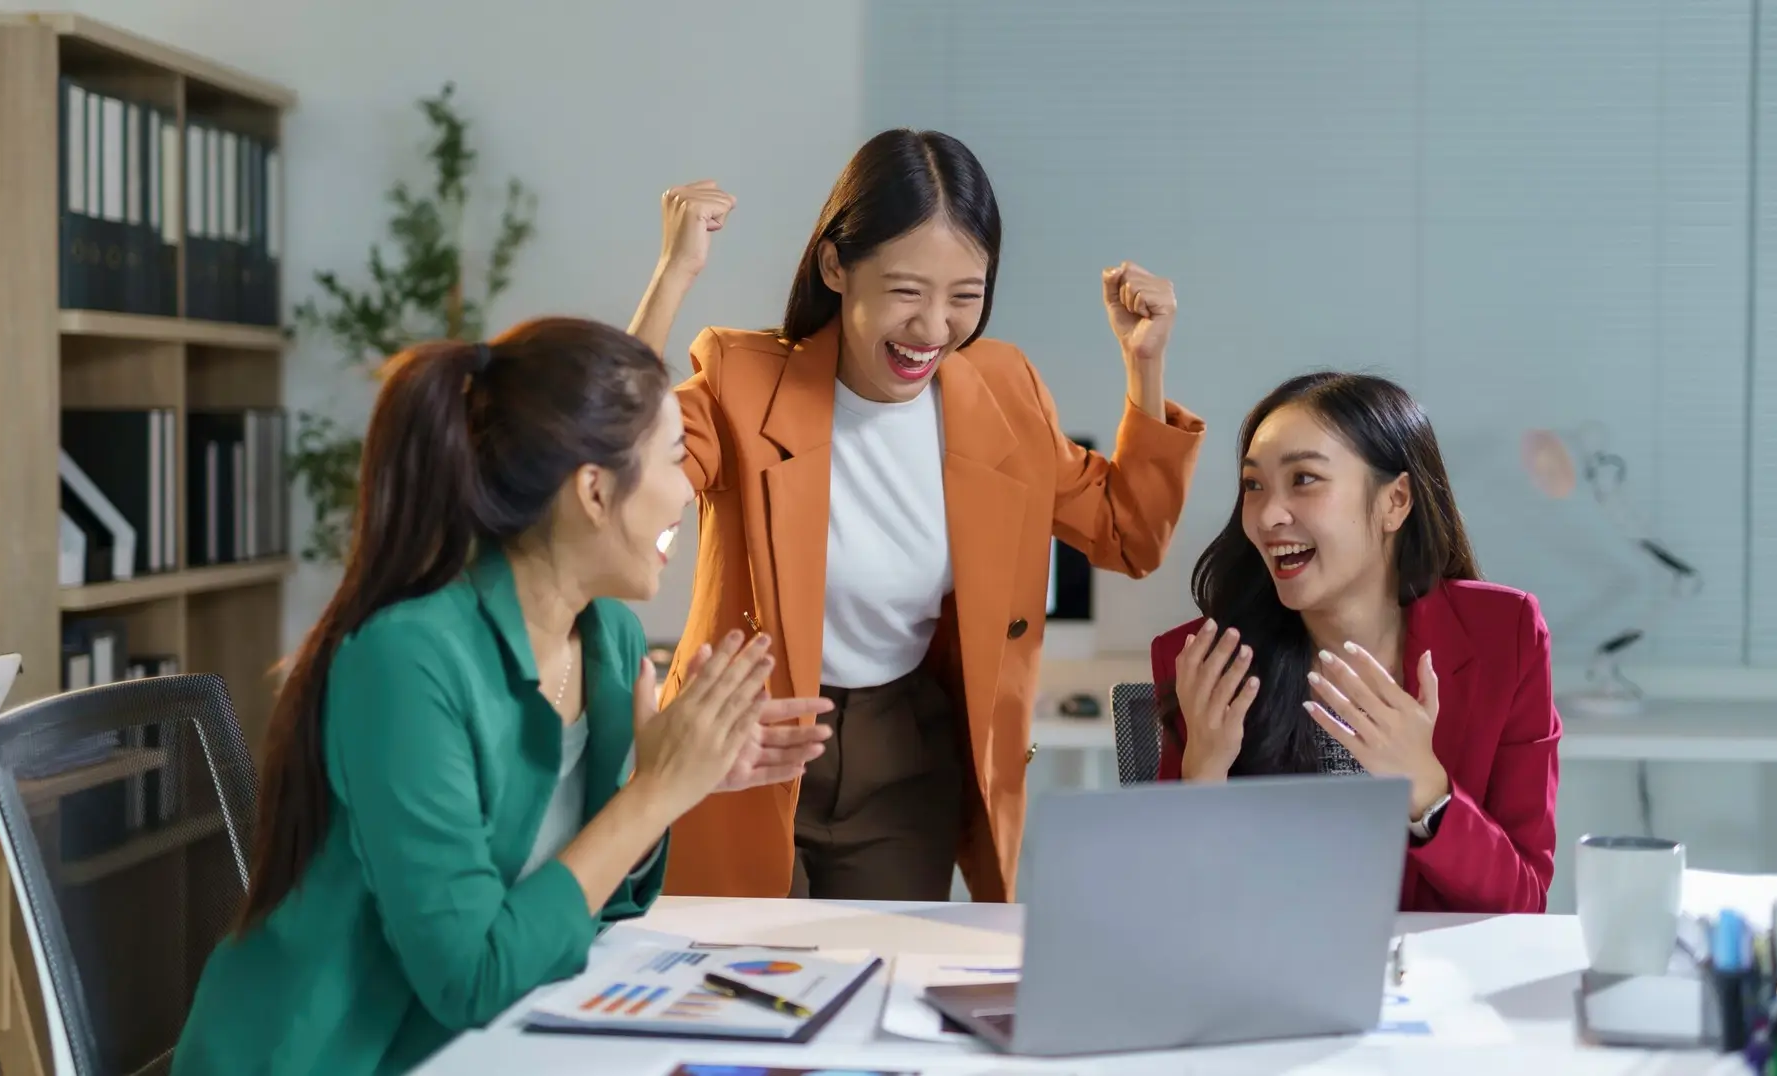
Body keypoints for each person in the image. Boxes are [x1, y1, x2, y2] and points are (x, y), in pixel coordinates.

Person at [172, 318, 833, 1075]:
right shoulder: (406, 662)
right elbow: (471, 977)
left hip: (496, 1045)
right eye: (675, 458)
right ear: (593, 490)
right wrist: (652, 793)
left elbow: (593, 908)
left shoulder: (609, 639)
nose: (689, 488)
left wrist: (674, 782)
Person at [625, 129, 1207, 903]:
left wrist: (1144, 365)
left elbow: (1128, 533)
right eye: (906, 292)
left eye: (965, 296)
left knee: (882, 991)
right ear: (837, 265)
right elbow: (614, 477)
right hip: (746, 742)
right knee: (732, 985)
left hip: (906, 760)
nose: (933, 328)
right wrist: (673, 278)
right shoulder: (742, 378)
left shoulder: (1003, 390)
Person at [1148, 371, 1560, 914]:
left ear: (1396, 501)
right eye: (1254, 486)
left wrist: (1429, 793)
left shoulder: (1504, 635)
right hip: (1268, 986)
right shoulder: (1206, 660)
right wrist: (1203, 772)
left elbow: (1523, 902)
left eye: (1304, 480)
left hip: (1440, 988)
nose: (1269, 515)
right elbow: (1168, 916)